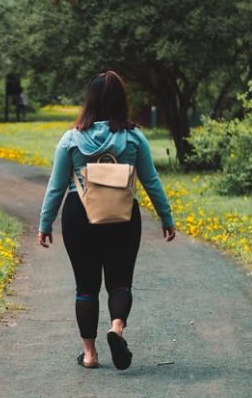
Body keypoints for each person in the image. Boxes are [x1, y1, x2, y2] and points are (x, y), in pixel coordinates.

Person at [37, 70, 176, 370]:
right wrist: (166, 218)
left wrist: (45, 223)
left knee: (85, 287)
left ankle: (89, 354)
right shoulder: (134, 137)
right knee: (120, 282)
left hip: (79, 213)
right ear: (120, 101)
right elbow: (151, 181)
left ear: (89, 101)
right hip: (123, 215)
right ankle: (116, 329)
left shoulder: (71, 139)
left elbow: (57, 185)